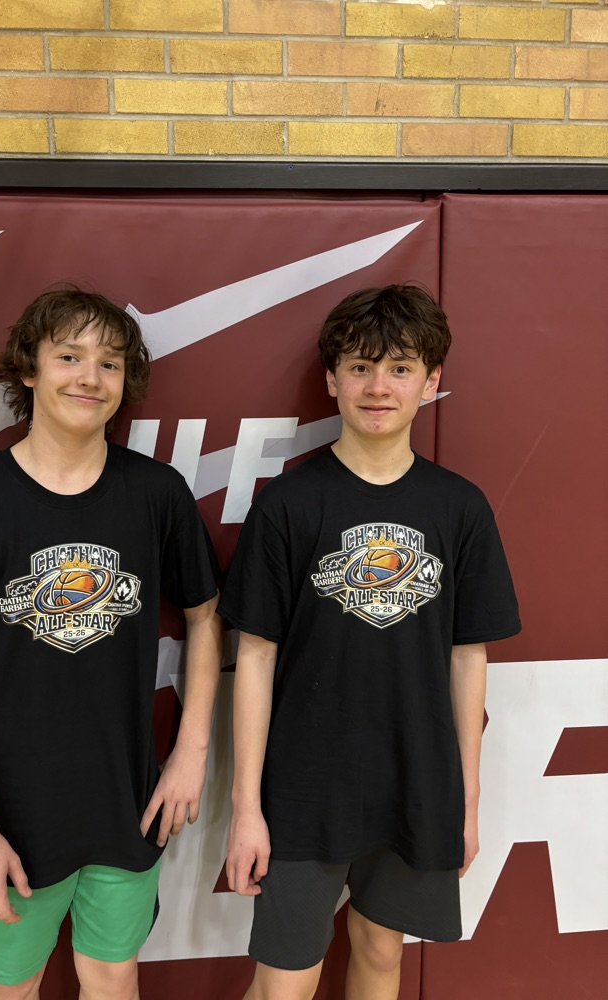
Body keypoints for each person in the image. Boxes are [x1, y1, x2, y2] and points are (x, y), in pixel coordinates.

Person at [0, 287, 223, 1000]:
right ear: (29, 369)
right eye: (69, 356)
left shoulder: (156, 494)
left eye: (109, 362)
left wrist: (191, 753)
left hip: (127, 801)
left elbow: (204, 617)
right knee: (13, 985)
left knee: (110, 975)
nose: (89, 378)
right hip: (14, 815)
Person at [218, 284, 521, 1000]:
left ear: (432, 382)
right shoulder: (289, 504)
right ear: (332, 379)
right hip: (301, 789)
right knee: (285, 980)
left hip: (413, 782)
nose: (378, 387)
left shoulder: (460, 508)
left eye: (400, 368)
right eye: (359, 367)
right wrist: (248, 808)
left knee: (382, 956)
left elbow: (468, 658)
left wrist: (465, 805)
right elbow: (254, 659)